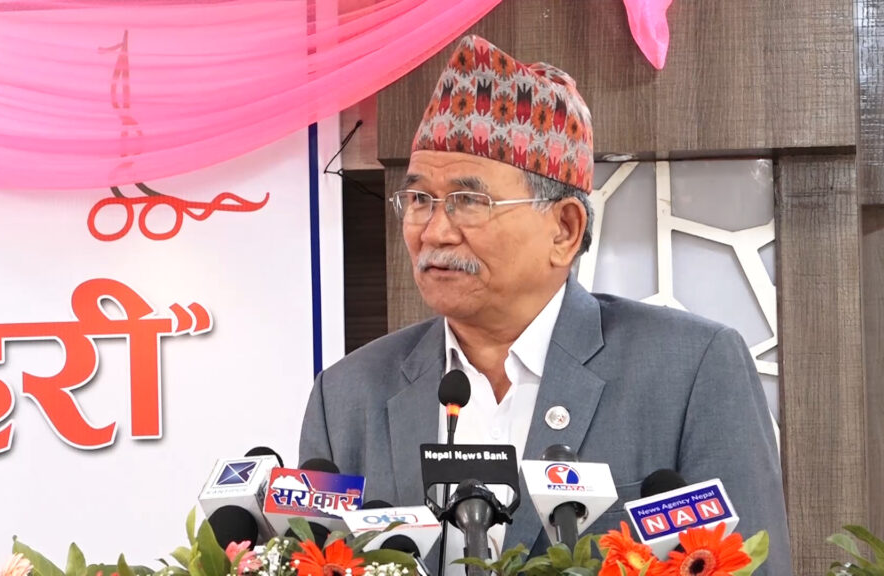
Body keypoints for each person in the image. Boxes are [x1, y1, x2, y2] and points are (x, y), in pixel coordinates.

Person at [299, 35, 790, 575]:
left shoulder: (690, 372)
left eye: (468, 201)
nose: (434, 231)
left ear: (564, 229)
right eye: (419, 199)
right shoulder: (346, 398)